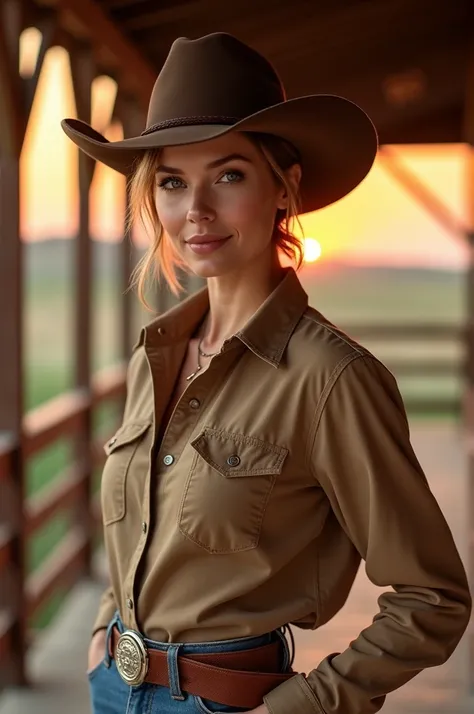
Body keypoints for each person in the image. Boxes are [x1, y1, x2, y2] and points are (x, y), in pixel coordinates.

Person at [62, 32, 471, 714]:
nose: (194, 211)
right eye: (171, 182)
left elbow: (432, 597)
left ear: (284, 190)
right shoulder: (153, 356)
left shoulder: (331, 379)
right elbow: (135, 530)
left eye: (227, 175)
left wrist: (307, 706)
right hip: (113, 687)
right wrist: (107, 629)